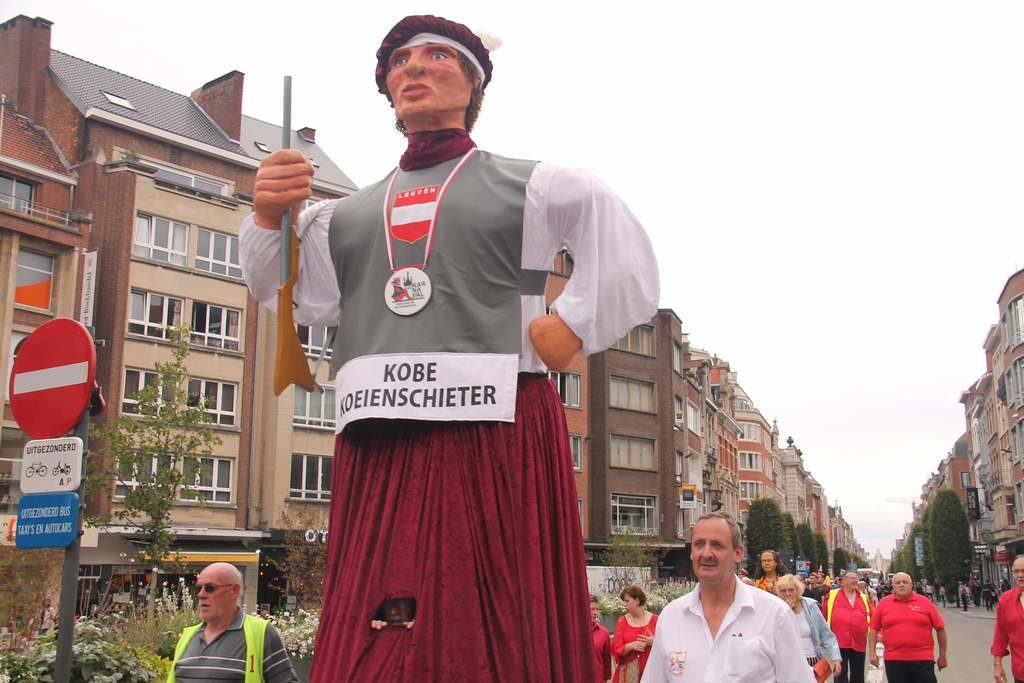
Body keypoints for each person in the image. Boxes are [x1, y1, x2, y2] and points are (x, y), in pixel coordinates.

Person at [240, 14, 658, 681]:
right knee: (377, 617)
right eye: (400, 60)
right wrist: (266, 217)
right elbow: (286, 291)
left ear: (473, 82)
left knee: (492, 612)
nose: (412, 68)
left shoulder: (536, 183)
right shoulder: (341, 215)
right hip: (380, 434)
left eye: (436, 56)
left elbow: (619, 237)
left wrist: (572, 320)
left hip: (494, 426)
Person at [642, 512, 814, 681]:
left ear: (738, 553)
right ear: (691, 552)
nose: (706, 553)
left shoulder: (774, 614)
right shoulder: (671, 617)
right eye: (699, 545)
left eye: (717, 545)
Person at [167, 562, 297, 683]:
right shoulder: (187, 636)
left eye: (210, 588)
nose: (201, 594)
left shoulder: (262, 633)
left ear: (234, 590)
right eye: (199, 588)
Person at [866, 572, 947, 683]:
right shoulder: (883, 604)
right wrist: (872, 653)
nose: (901, 585)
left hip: (923, 659)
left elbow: (940, 629)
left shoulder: (925, 603)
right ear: (893, 586)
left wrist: (942, 655)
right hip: (894, 660)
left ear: (911, 585)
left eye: (905, 582)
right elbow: (873, 629)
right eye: (898, 582)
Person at [778, 574, 842, 681]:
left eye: (791, 590)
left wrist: (835, 658)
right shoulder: (778, 609)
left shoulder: (810, 605)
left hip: (811, 661)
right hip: (788, 662)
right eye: (784, 591)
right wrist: (787, 612)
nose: (788, 594)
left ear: (798, 590)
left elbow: (826, 635)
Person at [826, 571, 871, 683]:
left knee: (858, 675)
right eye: (852, 578)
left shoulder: (864, 597)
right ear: (843, 580)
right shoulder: (832, 595)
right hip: (839, 642)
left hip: (859, 642)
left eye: (856, 578)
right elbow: (823, 616)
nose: (855, 580)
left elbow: (872, 615)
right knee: (840, 675)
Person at [611, 585, 658, 682]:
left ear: (637, 600)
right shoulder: (622, 621)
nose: (624, 604)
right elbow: (616, 649)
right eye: (624, 601)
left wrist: (654, 642)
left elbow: (668, 645)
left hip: (650, 674)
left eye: (627, 601)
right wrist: (631, 646)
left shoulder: (656, 620)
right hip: (628, 675)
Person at [992, 555, 1024, 683]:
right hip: (1021, 672)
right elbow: (1000, 634)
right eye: (1016, 571)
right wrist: (997, 665)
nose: (1020, 575)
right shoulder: (1006, 600)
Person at [590, 595, 611, 683]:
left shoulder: (604, 633)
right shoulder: (575, 632)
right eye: (592, 609)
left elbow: (607, 660)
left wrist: (605, 679)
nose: (595, 612)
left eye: (597, 609)